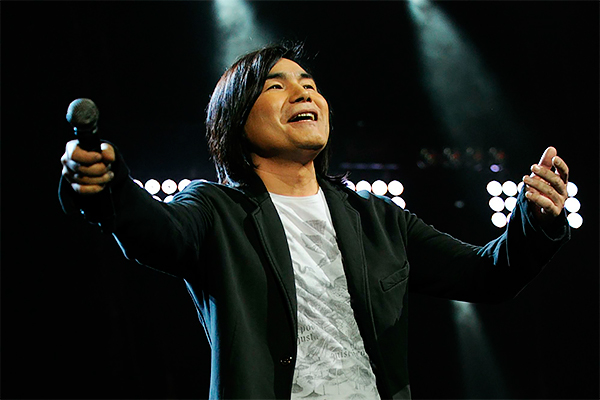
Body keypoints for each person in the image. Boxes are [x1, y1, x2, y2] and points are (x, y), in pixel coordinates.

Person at [59, 43, 571, 399]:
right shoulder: (215, 211)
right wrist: (107, 187)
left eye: (310, 85)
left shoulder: (377, 220)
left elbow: (489, 274)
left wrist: (535, 218)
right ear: (236, 120)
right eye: (276, 86)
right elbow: (153, 230)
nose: (304, 94)